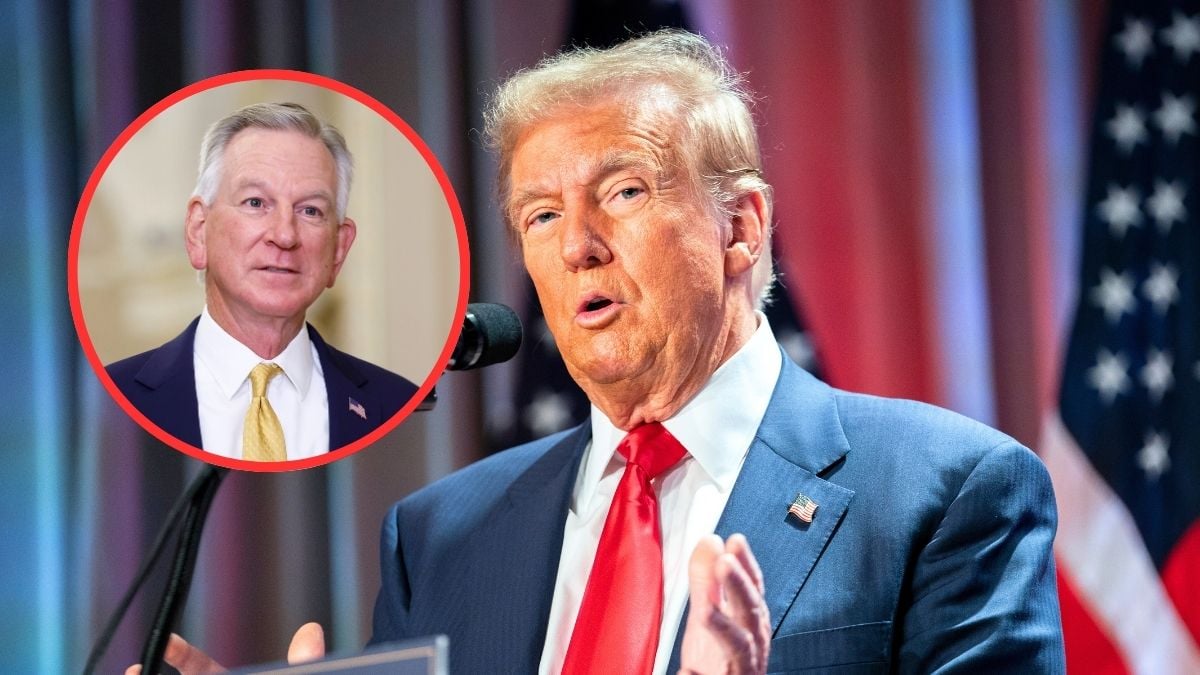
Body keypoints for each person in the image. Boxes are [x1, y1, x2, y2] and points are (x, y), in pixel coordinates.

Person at [144, 30, 1064, 674]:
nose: (576, 243)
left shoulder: (946, 493)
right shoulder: (440, 537)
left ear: (741, 228)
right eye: (540, 215)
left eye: (622, 192)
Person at [107, 102, 418, 461]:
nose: (284, 235)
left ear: (338, 249)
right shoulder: (118, 398)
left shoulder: (395, 405)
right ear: (198, 230)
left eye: (310, 211)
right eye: (256, 203)